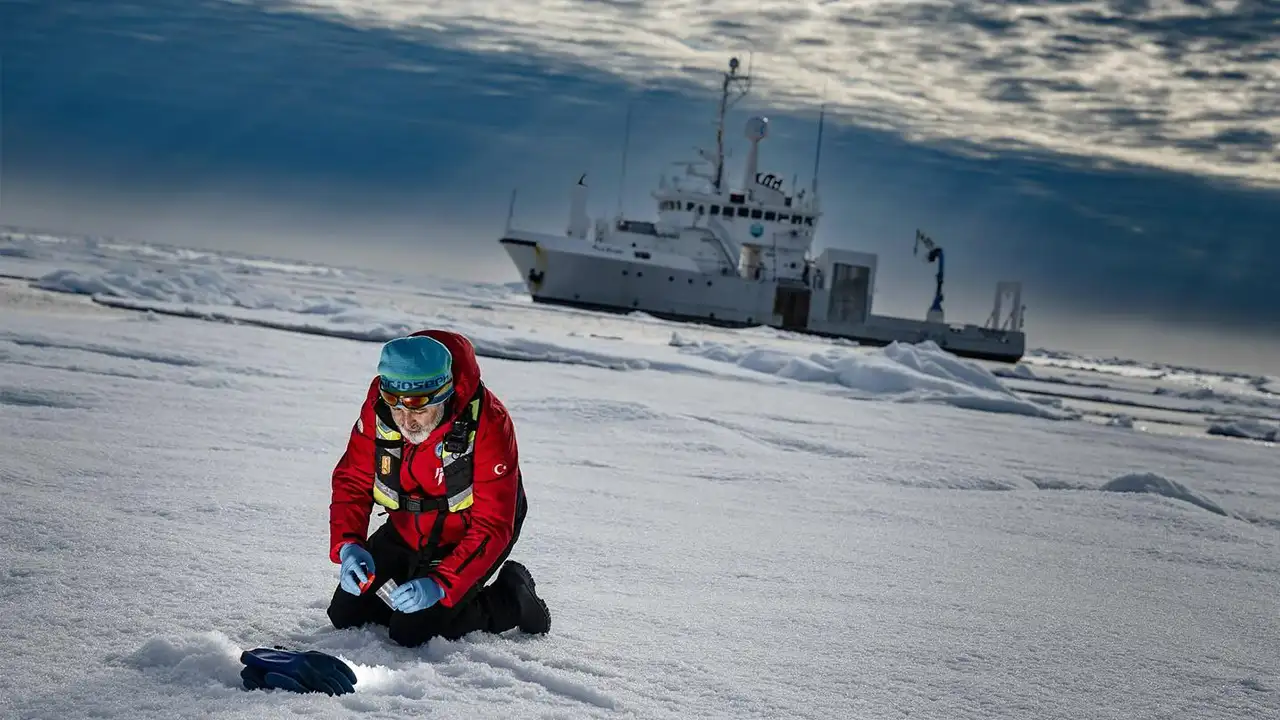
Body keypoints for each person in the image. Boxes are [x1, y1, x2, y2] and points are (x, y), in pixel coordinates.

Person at [326, 329, 551, 648]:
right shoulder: (380, 407)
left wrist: (441, 584)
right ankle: (412, 579)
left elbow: (492, 526)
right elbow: (353, 478)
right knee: (347, 613)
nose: (407, 422)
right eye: (398, 409)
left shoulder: (490, 423)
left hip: (473, 533)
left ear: (445, 394)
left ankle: (511, 598)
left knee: (412, 631)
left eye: (419, 409)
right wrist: (349, 544)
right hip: (407, 526)